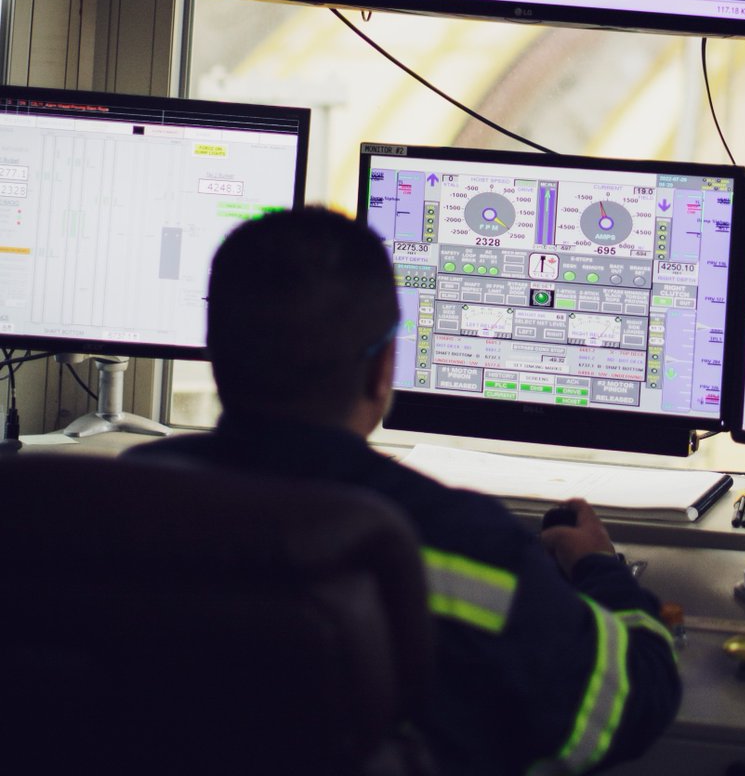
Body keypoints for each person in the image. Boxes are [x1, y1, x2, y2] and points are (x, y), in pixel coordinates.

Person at [131, 206, 681, 776]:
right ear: (381, 369)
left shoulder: (128, 500)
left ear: (216, 353)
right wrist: (600, 569)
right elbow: (626, 705)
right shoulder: (464, 542)